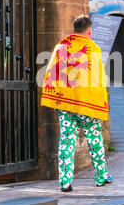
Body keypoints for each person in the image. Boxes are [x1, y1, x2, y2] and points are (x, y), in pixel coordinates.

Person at [41, 15, 113, 192]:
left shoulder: (61, 47)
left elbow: (51, 73)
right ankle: (101, 176)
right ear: (89, 31)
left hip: (66, 103)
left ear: (74, 29)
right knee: (94, 138)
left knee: (66, 140)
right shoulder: (93, 49)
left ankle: (65, 182)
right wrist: (102, 102)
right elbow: (97, 80)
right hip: (87, 103)